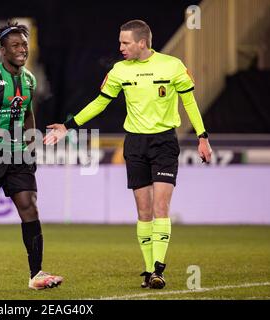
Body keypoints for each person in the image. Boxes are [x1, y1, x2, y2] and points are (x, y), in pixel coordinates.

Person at [44, 20, 212, 289]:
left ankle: (159, 269)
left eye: (125, 43)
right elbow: (100, 103)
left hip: (164, 142)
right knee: (144, 211)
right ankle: (148, 271)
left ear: (142, 43)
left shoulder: (172, 66)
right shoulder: (119, 71)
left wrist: (203, 137)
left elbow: (189, 102)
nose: (120, 47)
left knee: (160, 207)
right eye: (120, 42)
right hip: (134, 144)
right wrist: (68, 126)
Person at [0, 21, 63, 290]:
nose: (22, 50)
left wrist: (31, 144)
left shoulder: (29, 79)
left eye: (24, 45)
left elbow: (28, 113)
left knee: (29, 207)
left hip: (18, 155)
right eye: (15, 46)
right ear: (3, 51)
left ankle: (36, 275)